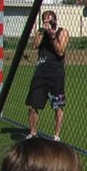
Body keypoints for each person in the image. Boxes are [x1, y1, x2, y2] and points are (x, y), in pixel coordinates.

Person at [25, 10, 68, 141]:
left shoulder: (62, 32)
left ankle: (56, 136)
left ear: (55, 21)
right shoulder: (40, 32)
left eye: (50, 21)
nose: (48, 24)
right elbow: (35, 46)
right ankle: (32, 133)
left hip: (56, 74)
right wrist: (44, 32)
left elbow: (60, 52)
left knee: (58, 106)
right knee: (33, 105)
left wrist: (52, 35)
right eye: (45, 21)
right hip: (40, 74)